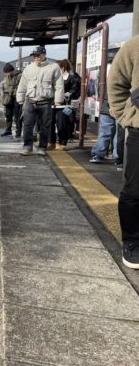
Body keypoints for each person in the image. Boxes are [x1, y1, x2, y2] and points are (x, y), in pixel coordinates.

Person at [107, 35, 139, 269]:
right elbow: (116, 83)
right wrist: (125, 116)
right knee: (134, 188)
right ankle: (133, 242)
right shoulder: (134, 46)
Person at [16, 46, 64, 156]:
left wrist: (58, 101)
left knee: (45, 126)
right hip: (30, 101)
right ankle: (27, 146)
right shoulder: (29, 68)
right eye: (34, 56)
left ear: (44, 55)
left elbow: (59, 85)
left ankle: (42, 147)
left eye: (38, 55)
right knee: (27, 125)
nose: (36, 58)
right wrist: (20, 98)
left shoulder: (54, 67)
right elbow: (23, 84)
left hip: (46, 101)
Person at [50, 59, 80, 150]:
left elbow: (75, 89)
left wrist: (69, 93)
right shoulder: (52, 77)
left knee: (62, 124)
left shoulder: (70, 78)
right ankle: (51, 141)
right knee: (50, 123)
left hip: (64, 104)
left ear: (63, 68)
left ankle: (62, 142)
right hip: (51, 103)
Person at [89, 82, 120, 164]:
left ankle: (98, 154)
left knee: (105, 132)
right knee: (119, 134)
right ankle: (118, 158)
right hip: (120, 106)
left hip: (108, 104)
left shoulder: (112, 74)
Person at [0, 64, 22, 139]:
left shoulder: (19, 75)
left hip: (17, 98)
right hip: (8, 98)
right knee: (8, 115)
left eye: (7, 72)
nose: (6, 74)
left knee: (17, 116)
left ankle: (18, 132)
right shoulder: (7, 77)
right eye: (6, 73)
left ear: (11, 71)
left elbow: (22, 86)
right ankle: (8, 130)